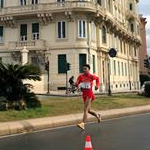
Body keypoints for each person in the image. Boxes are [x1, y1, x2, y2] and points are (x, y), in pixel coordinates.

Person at [75, 64, 101, 130]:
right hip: (84, 94)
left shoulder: (91, 76)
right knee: (88, 110)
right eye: (83, 69)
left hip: (89, 94)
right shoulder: (80, 76)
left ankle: (83, 124)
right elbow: (77, 83)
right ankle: (98, 115)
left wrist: (97, 86)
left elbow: (97, 79)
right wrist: (77, 84)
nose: (84, 70)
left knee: (85, 109)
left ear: (88, 69)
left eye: (85, 69)